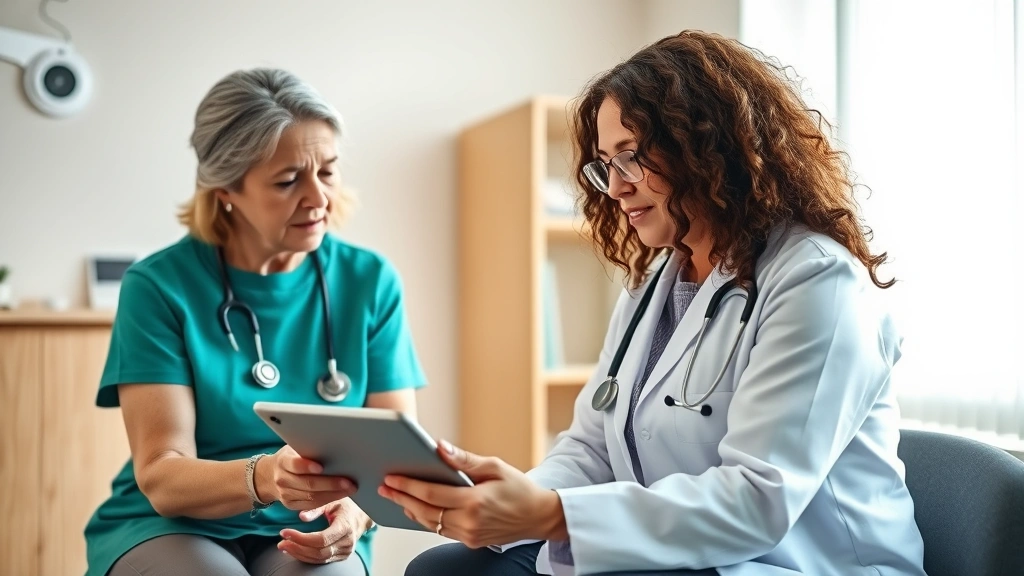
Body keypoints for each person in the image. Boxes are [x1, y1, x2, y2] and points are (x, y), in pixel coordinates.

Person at [382, 30, 927, 576]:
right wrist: (513, 501)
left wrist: (552, 515)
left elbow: (757, 500)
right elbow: (592, 449)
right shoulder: (655, 285)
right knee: (446, 570)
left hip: (801, 563)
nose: (614, 188)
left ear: (708, 146)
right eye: (605, 164)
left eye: (630, 157)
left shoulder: (815, 280)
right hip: (682, 555)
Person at [83, 68, 428, 576]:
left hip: (309, 522)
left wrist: (355, 516)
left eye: (327, 171)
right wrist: (267, 477)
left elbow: (395, 454)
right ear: (225, 188)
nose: (318, 198)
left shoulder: (368, 280)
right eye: (288, 181)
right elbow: (162, 474)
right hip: (174, 523)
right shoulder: (158, 287)